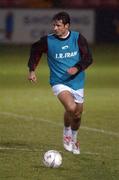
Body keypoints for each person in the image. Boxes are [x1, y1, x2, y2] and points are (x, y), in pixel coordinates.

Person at [27, 12, 93, 154]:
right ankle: (66, 132)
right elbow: (35, 50)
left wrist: (77, 68)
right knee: (70, 108)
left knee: (77, 114)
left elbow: (88, 57)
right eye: (54, 25)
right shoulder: (47, 41)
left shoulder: (77, 38)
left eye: (58, 25)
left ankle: (74, 138)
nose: (55, 28)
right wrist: (32, 70)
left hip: (77, 82)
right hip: (59, 81)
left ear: (66, 26)